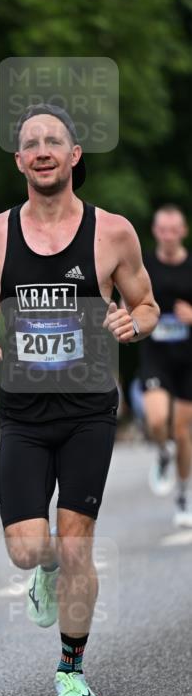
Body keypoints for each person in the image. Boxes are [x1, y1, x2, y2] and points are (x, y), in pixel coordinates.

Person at [0, 104, 158, 696]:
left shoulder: (112, 233)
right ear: (19, 160)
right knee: (28, 549)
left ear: (75, 155)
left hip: (88, 411)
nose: (43, 151)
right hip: (23, 414)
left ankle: (71, 669)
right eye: (32, 143)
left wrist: (133, 323)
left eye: (54, 141)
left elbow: (147, 304)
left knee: (77, 544)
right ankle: (43, 570)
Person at [139, 205, 192, 526]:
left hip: (188, 359)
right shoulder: (144, 266)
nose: (168, 236)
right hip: (156, 355)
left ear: (183, 231)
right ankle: (162, 452)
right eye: (163, 230)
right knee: (157, 420)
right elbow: (131, 300)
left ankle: (183, 494)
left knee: (183, 432)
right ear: (155, 231)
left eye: (174, 230)